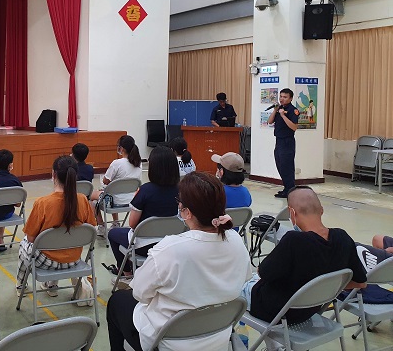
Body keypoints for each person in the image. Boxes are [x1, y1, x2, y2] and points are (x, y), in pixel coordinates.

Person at [107, 172, 251, 351]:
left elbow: (140, 293)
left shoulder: (170, 249)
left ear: (186, 212)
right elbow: (245, 278)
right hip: (218, 336)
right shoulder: (235, 240)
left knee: (117, 301)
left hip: (169, 342)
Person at [242, 186, 367, 329]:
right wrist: (324, 290)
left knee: (238, 283)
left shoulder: (294, 240)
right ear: (321, 210)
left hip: (276, 312)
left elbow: (262, 273)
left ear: (292, 213)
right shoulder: (343, 238)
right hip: (310, 310)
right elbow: (360, 283)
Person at [15, 155, 96, 297]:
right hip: (74, 260)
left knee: (24, 244)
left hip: (47, 263)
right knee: (61, 242)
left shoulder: (43, 203)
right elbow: (90, 231)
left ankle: (21, 285)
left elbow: (31, 238)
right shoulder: (83, 200)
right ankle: (51, 284)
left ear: (53, 174)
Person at [107, 146, 179, 286]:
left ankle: (128, 275)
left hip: (145, 245)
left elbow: (133, 223)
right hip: (171, 243)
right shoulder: (181, 190)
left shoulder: (146, 190)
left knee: (113, 234)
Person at [89, 135, 143, 236]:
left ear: (121, 148)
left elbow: (106, 181)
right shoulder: (138, 163)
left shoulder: (117, 163)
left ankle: (101, 226)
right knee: (113, 191)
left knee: (91, 197)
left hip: (115, 201)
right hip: (132, 199)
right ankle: (116, 222)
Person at [268, 88, 299, 198]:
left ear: (290, 98)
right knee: (280, 165)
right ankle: (286, 188)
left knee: (287, 167)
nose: (282, 99)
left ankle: (290, 190)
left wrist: (283, 116)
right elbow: (270, 121)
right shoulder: (279, 108)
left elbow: (294, 127)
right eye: (281, 96)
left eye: (285, 97)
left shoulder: (293, 110)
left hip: (287, 142)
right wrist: (275, 111)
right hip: (279, 141)